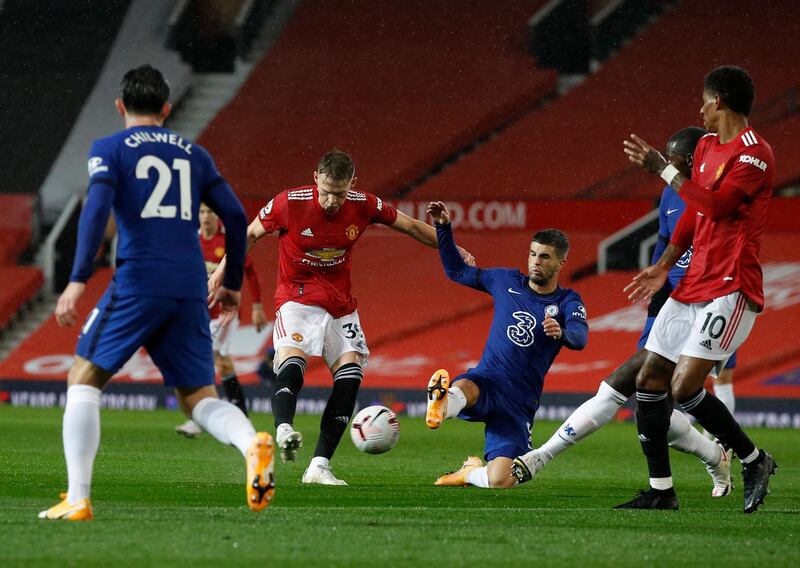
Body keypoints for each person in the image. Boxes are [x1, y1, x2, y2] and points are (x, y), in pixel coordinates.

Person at [39, 65, 275, 521]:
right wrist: (230, 286)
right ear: (168, 109)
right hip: (188, 284)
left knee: (83, 379)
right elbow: (233, 213)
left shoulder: (109, 148)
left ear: (120, 106)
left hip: (139, 279)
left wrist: (77, 278)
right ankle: (251, 444)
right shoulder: (195, 154)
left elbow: (97, 210)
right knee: (199, 395)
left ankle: (77, 497)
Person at [210, 150, 475, 485]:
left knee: (350, 377)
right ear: (316, 178)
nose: (331, 201)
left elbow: (409, 226)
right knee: (292, 360)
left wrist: (449, 247)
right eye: (325, 191)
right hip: (297, 298)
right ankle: (284, 430)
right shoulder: (289, 203)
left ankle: (318, 466)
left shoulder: (364, 203)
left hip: (340, 305)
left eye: (338, 193)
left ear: (352, 183)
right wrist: (222, 273)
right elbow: (247, 235)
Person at [512, 127, 735, 498]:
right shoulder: (670, 197)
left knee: (629, 389)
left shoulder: (718, 199)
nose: (670, 167)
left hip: (708, 304)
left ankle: (542, 457)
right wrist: (655, 298)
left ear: (695, 162)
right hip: (670, 305)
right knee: (648, 405)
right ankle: (716, 455)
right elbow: (666, 247)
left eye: (675, 161)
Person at [617, 65, 776, 512]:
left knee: (686, 387)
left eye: (704, 100)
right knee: (650, 380)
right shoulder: (705, 147)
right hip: (691, 283)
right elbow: (693, 215)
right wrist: (663, 265)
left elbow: (720, 207)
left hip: (731, 285)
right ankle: (662, 491)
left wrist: (664, 171)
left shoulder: (754, 154)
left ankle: (753, 459)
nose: (700, 108)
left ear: (720, 102)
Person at [425, 201, 588, 489]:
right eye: (533, 254)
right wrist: (443, 228)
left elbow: (580, 337)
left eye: (545, 257)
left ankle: (469, 472)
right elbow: (457, 271)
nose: (536, 261)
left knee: (501, 481)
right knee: (465, 387)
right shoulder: (505, 280)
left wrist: (561, 332)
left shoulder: (567, 301)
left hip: (519, 403)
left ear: (560, 263)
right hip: (487, 380)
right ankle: (442, 402)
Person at [175, 203, 267, 438]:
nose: (206, 217)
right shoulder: (190, 240)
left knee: (205, 357)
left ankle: (199, 418)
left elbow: (252, 273)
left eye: (210, 212)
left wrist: (257, 305)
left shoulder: (227, 242)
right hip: (198, 314)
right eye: (202, 212)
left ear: (218, 216)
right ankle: (242, 418)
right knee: (224, 365)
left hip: (224, 316)